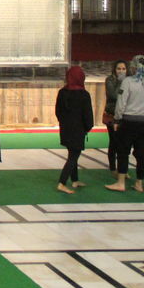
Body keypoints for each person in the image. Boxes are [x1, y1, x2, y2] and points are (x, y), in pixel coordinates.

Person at [107, 54, 144, 192]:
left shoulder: (128, 82)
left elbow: (121, 103)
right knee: (141, 153)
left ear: (133, 68)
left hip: (128, 122)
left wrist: (117, 119)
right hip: (143, 123)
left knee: (123, 152)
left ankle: (121, 182)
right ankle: (139, 183)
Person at [56, 65, 94, 194]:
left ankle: (75, 180)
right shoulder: (84, 95)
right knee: (73, 156)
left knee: (72, 154)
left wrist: (64, 123)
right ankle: (62, 182)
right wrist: (87, 127)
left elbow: (58, 112)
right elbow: (88, 115)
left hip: (66, 129)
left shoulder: (62, 92)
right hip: (78, 130)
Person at [103, 59, 128, 173]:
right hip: (112, 115)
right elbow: (113, 95)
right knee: (113, 142)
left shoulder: (129, 80)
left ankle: (123, 169)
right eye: (119, 69)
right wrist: (120, 82)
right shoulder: (110, 80)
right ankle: (113, 168)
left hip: (125, 116)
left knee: (124, 144)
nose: (121, 71)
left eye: (123, 69)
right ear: (114, 69)